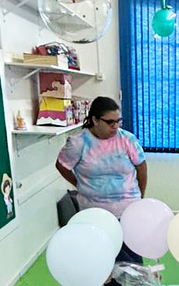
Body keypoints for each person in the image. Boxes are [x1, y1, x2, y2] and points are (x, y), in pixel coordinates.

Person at [55, 97, 147, 264]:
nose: (115, 126)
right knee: (102, 259)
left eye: (118, 121)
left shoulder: (127, 139)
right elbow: (62, 165)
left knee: (133, 262)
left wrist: (140, 195)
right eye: (110, 122)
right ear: (95, 120)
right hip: (95, 213)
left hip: (127, 210)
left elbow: (141, 166)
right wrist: (79, 184)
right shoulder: (78, 143)